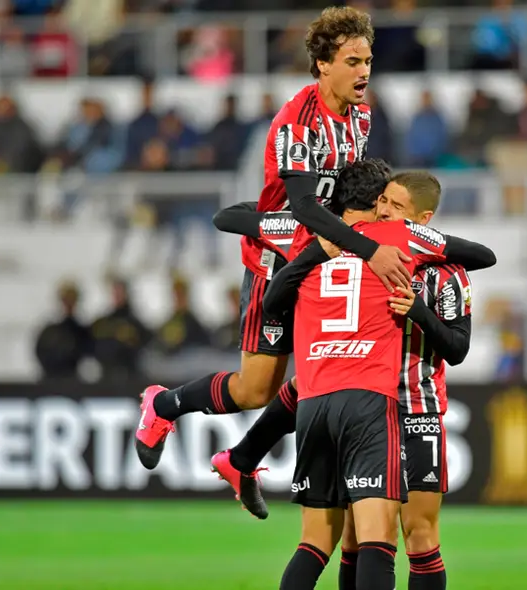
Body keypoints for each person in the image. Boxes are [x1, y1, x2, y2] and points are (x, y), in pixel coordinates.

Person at [133, 6, 413, 471]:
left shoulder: (360, 117)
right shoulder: (297, 120)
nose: (364, 71)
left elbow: (344, 193)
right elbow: (303, 206)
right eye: (352, 62)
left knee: (329, 368)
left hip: (325, 257)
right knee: (254, 389)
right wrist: (372, 250)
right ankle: (164, 406)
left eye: (367, 61)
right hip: (277, 261)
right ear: (323, 64)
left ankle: (246, 461)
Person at [217, 170, 469, 590]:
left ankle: (242, 455)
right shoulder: (352, 249)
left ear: (423, 220)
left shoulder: (446, 271)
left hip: (416, 408)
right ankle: (241, 455)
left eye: (397, 206)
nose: (385, 211)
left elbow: (458, 348)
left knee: (420, 534)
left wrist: (418, 312)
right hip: (368, 403)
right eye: (383, 200)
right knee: (356, 536)